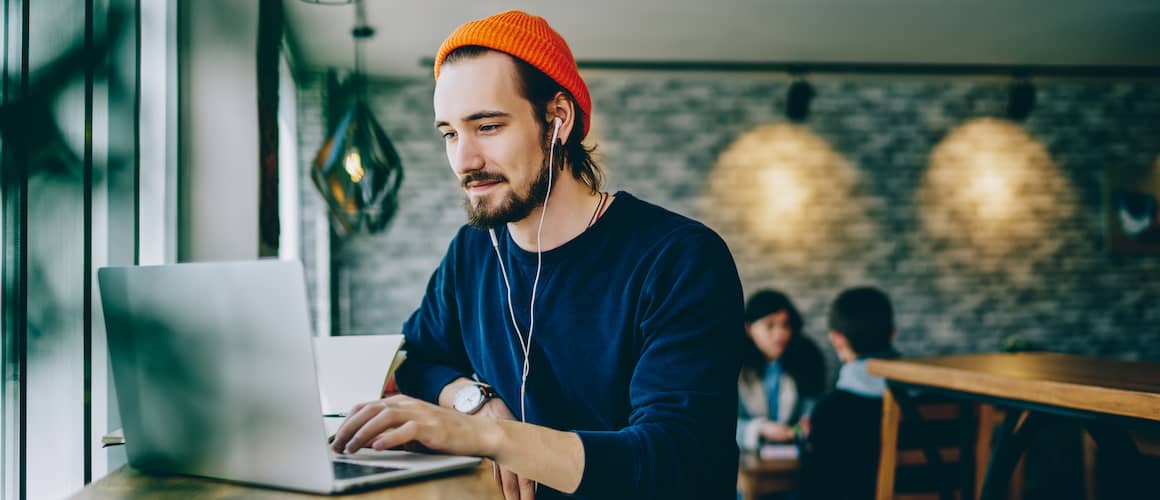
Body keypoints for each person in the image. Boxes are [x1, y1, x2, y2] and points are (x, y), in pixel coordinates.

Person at [329, 10, 745, 500]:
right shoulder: (473, 252)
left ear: (558, 119)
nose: (464, 160)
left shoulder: (679, 259)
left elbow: (677, 460)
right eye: (450, 133)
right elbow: (418, 360)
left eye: (486, 126)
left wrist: (491, 438)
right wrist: (475, 403)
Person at [798, 286, 901, 500]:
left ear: (837, 339)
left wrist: (809, 440)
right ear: (893, 333)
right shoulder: (936, 400)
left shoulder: (831, 411)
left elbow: (816, 490)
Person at [736, 290, 826, 451]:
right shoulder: (734, 366)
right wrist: (759, 429)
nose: (780, 334)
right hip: (745, 461)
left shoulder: (806, 360)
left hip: (792, 459)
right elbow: (718, 424)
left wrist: (804, 425)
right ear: (748, 328)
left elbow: (810, 410)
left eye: (785, 325)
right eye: (769, 325)